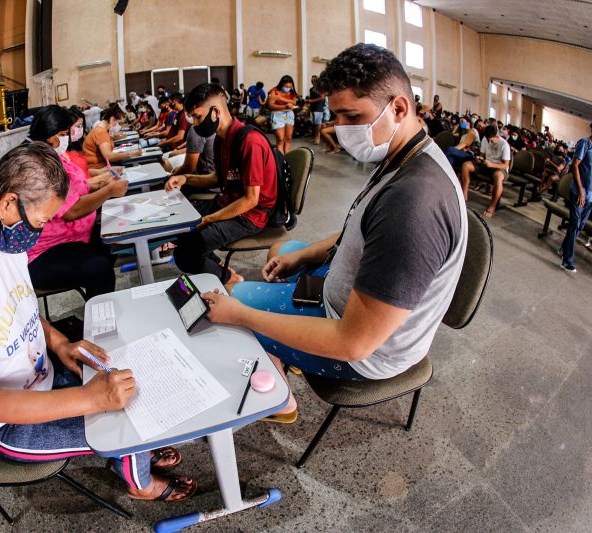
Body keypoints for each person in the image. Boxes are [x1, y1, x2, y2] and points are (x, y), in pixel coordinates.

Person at [200, 43, 467, 422]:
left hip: (367, 352)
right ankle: (286, 338)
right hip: (350, 293)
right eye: (337, 115)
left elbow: (353, 342)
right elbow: (360, 225)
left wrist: (242, 315)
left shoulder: (414, 205)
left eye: (352, 116)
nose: (339, 128)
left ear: (399, 107)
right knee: (285, 248)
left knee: (237, 297)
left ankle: (279, 396)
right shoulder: (406, 154)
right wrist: (308, 255)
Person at [0, 142, 197, 502]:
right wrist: (87, 398)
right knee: (131, 421)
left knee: (127, 381)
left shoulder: (5, 240)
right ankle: (140, 482)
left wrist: (59, 343)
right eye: (40, 222)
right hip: (10, 423)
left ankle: (129, 452)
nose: (41, 231)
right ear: (8, 203)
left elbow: (23, 307)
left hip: (44, 377)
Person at [164, 83, 278, 285]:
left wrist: (209, 219)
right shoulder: (220, 139)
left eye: (198, 117)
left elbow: (251, 200)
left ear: (215, 112)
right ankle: (218, 267)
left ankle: (230, 279)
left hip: (251, 215)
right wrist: (186, 178)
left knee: (185, 255)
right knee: (182, 228)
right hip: (229, 202)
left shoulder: (250, 141)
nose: (196, 124)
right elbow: (218, 178)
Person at [21, 105, 128, 300]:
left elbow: (78, 187)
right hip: (43, 251)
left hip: (70, 239)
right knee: (99, 268)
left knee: (109, 244)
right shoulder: (39, 166)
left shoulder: (56, 157)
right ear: (49, 134)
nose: (66, 138)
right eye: (62, 134)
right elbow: (70, 211)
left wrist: (104, 181)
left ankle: (98, 305)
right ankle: (98, 325)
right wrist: (109, 190)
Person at [560, 121, 592, 273]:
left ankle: (563, 248)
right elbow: (575, 165)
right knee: (575, 224)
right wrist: (581, 190)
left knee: (579, 226)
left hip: (591, 197)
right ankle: (567, 261)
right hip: (579, 193)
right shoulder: (585, 143)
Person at [460, 125, 511, 217]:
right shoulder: (485, 139)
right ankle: (464, 196)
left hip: (499, 167)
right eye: (488, 139)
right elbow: (483, 155)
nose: (490, 141)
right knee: (466, 165)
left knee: (498, 177)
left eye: (492, 139)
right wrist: (480, 159)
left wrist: (491, 164)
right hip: (486, 164)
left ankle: (492, 207)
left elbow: (506, 165)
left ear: (496, 135)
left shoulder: (504, 145)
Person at [82, 104, 141, 173]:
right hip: (98, 169)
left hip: (102, 166)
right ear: (112, 119)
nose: (119, 126)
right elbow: (108, 156)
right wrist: (131, 154)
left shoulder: (102, 129)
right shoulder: (101, 132)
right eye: (119, 123)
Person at [267, 75, 299, 153]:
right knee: (280, 139)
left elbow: (295, 102)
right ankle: (280, 160)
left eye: (289, 86)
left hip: (289, 115)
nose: (287, 88)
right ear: (281, 84)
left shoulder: (292, 92)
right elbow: (270, 105)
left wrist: (280, 98)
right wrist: (284, 106)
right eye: (286, 86)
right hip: (278, 115)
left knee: (288, 138)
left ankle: (287, 159)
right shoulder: (274, 91)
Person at [307, 75, 326, 145]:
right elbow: (311, 99)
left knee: (318, 124)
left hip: (319, 108)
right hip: (313, 108)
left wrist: (312, 101)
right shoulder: (311, 89)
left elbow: (322, 97)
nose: (313, 80)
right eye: (312, 79)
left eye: (315, 79)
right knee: (314, 124)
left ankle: (318, 138)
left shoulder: (320, 88)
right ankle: (316, 137)